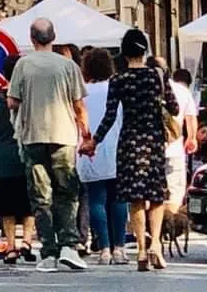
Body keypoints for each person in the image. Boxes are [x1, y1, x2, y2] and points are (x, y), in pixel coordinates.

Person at [80, 30, 178, 272]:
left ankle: (142, 251)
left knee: (135, 199)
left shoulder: (119, 80)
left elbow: (110, 116)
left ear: (123, 54)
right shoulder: (157, 75)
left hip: (129, 142)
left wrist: (95, 141)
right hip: (153, 141)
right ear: (145, 51)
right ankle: (155, 244)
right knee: (155, 197)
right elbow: (174, 107)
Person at [8, 18, 89, 272]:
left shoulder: (23, 64)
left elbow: (12, 101)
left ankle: (48, 252)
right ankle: (69, 246)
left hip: (33, 136)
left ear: (32, 39)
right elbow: (78, 105)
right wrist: (86, 134)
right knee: (67, 193)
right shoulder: (68, 65)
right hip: (64, 136)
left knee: (41, 197)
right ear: (53, 38)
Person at [0, 54, 37, 265]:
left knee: (7, 207)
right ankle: (27, 242)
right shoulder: (28, 96)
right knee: (28, 203)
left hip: (1, 159)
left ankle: (11, 246)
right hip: (26, 154)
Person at [76, 48, 127, 266]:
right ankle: (120, 247)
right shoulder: (117, 89)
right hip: (117, 147)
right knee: (118, 198)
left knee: (95, 199)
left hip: (89, 149)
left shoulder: (82, 92)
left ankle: (104, 248)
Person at [155, 57, 198, 216]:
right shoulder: (181, 90)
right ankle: (169, 220)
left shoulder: (140, 88)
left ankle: (154, 227)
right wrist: (192, 138)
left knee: (150, 191)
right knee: (176, 189)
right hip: (174, 147)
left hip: (148, 149)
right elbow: (191, 117)